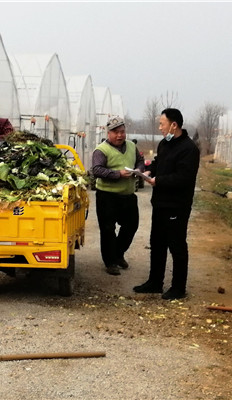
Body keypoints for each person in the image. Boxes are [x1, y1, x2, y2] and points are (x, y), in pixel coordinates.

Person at [133, 108, 200, 300]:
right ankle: (155, 282)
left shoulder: (189, 149)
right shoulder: (165, 144)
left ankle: (178, 287)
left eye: (162, 124)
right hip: (160, 203)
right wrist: (148, 172)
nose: (160, 128)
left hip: (177, 205)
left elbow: (183, 178)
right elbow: (158, 163)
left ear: (174, 125)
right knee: (157, 243)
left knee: (176, 245)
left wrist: (158, 181)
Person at [91, 116, 145, 276]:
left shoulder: (131, 146)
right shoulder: (101, 150)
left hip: (128, 195)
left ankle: (118, 253)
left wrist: (139, 170)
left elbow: (140, 160)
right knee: (108, 229)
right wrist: (117, 174)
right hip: (107, 196)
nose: (120, 135)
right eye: (115, 132)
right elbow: (97, 170)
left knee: (131, 226)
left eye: (122, 132)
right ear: (109, 133)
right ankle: (110, 262)